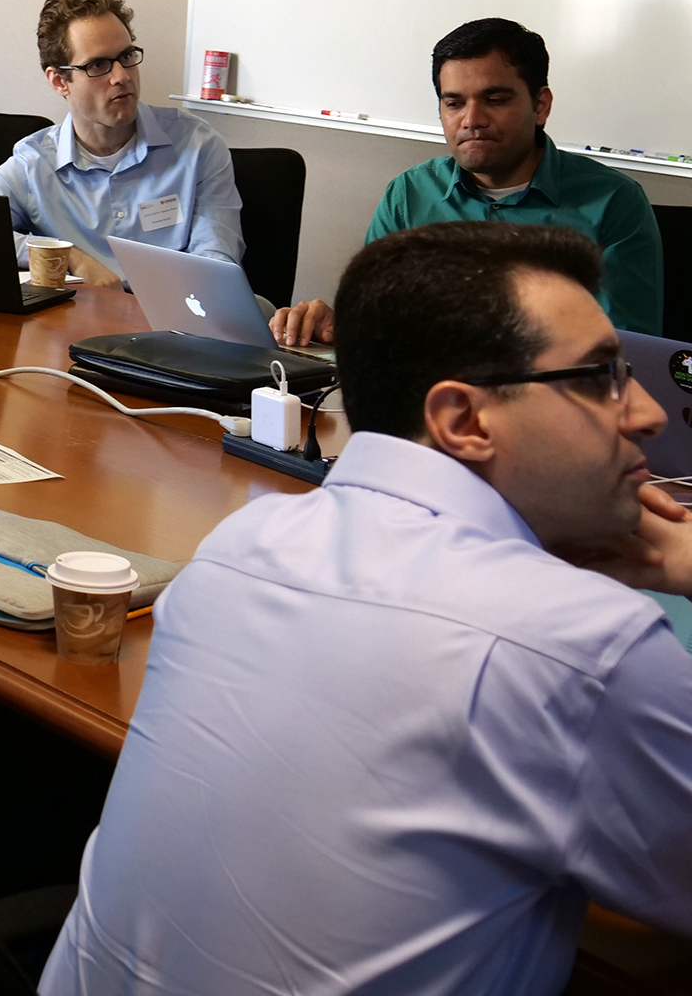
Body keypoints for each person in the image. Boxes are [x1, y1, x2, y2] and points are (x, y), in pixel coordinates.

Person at [41, 220, 692, 996]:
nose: (649, 413)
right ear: (463, 420)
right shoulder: (580, 646)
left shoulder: (236, 547)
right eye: (603, 376)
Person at [271, 18, 664, 345]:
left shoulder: (613, 202)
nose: (472, 120)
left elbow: (622, 351)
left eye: (495, 99)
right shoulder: (409, 194)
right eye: (454, 103)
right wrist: (335, 327)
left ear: (540, 105)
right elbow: (375, 321)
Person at [0, 0, 243, 289]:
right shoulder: (35, 163)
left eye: (126, 56)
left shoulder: (197, 144)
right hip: (79, 315)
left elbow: (216, 263)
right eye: (98, 65)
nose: (122, 76)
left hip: (174, 310)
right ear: (60, 81)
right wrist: (67, 255)